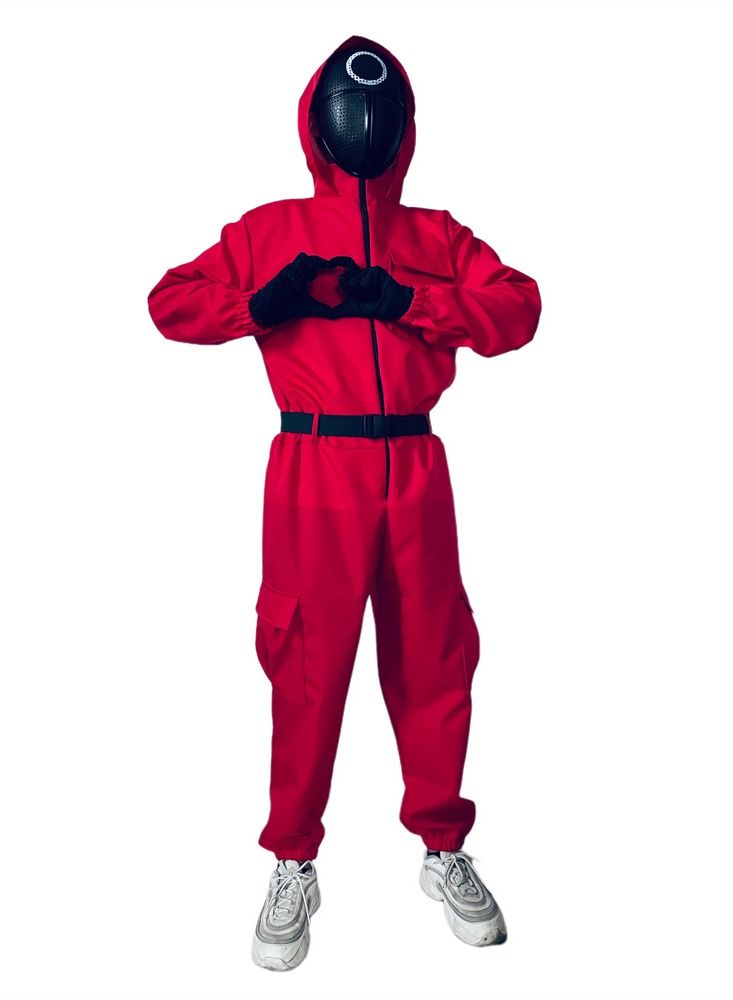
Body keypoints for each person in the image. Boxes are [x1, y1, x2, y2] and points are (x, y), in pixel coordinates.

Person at [148, 34, 541, 972]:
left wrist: (410, 301)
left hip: (414, 461)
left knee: (434, 653)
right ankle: (292, 859)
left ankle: (441, 845)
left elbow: (518, 310)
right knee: (306, 660)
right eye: (346, 109)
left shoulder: (437, 238)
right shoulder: (269, 231)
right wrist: (263, 304)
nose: (362, 122)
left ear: (404, 127)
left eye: (379, 108)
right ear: (315, 126)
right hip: (312, 464)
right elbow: (168, 303)